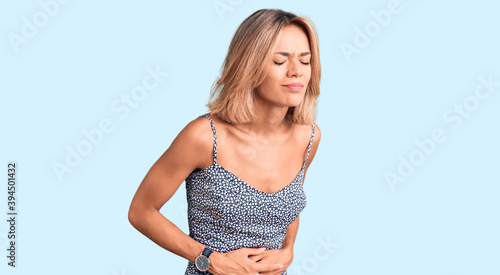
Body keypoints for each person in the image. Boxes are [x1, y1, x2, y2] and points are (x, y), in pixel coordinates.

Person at [128, 8, 322, 275]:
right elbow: (141, 211)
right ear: (249, 66)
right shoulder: (204, 137)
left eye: (305, 60)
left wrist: (288, 249)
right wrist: (207, 258)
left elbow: (288, 205)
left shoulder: (308, 137)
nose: (296, 72)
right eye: (280, 61)